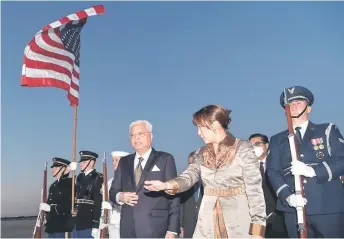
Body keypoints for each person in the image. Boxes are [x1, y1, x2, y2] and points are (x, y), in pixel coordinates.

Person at [144, 105, 266, 238]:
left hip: (239, 221)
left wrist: (257, 232)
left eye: (200, 127)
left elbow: (255, 191)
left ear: (215, 124)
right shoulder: (201, 153)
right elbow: (189, 176)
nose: (198, 133)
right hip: (207, 223)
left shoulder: (243, 148)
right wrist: (166, 185)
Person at [267, 86, 344, 238]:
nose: (294, 105)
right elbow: (273, 171)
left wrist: (313, 171)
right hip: (293, 210)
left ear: (309, 108)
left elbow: (342, 160)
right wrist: (287, 196)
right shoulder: (277, 140)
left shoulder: (327, 130)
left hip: (327, 207)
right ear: (285, 110)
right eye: (289, 103)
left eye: (299, 102)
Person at [109, 120, 180, 238]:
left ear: (151, 136)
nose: (136, 138)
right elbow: (113, 191)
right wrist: (120, 196)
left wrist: (172, 229)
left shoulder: (165, 159)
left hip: (156, 227)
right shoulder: (124, 162)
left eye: (140, 134)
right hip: (128, 228)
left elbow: (174, 196)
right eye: (133, 135)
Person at [249, 133, 287, 238]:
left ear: (266, 145)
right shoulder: (247, 168)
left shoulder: (278, 165)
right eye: (251, 145)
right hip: (255, 218)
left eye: (257, 144)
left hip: (277, 216)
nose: (254, 148)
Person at [39, 157, 76, 238]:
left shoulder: (69, 183)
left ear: (63, 169)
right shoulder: (53, 186)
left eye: (56, 167)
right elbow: (49, 203)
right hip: (52, 226)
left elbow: (67, 206)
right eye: (53, 167)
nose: (53, 169)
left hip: (62, 225)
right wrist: (44, 215)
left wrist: (50, 208)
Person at [72, 151, 106, 238]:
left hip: (88, 221)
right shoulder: (79, 177)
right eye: (81, 162)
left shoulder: (98, 177)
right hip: (76, 220)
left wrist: (96, 223)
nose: (81, 164)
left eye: (84, 162)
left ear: (92, 162)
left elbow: (98, 202)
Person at [179, 151, 204, 239]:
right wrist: (180, 225)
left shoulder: (209, 184)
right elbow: (181, 205)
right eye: (190, 164)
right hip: (188, 227)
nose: (192, 167)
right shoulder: (184, 184)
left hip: (206, 227)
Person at [106, 151, 130, 238]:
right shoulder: (109, 182)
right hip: (111, 221)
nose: (114, 163)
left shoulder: (130, 180)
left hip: (123, 221)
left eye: (116, 160)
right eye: (113, 160)